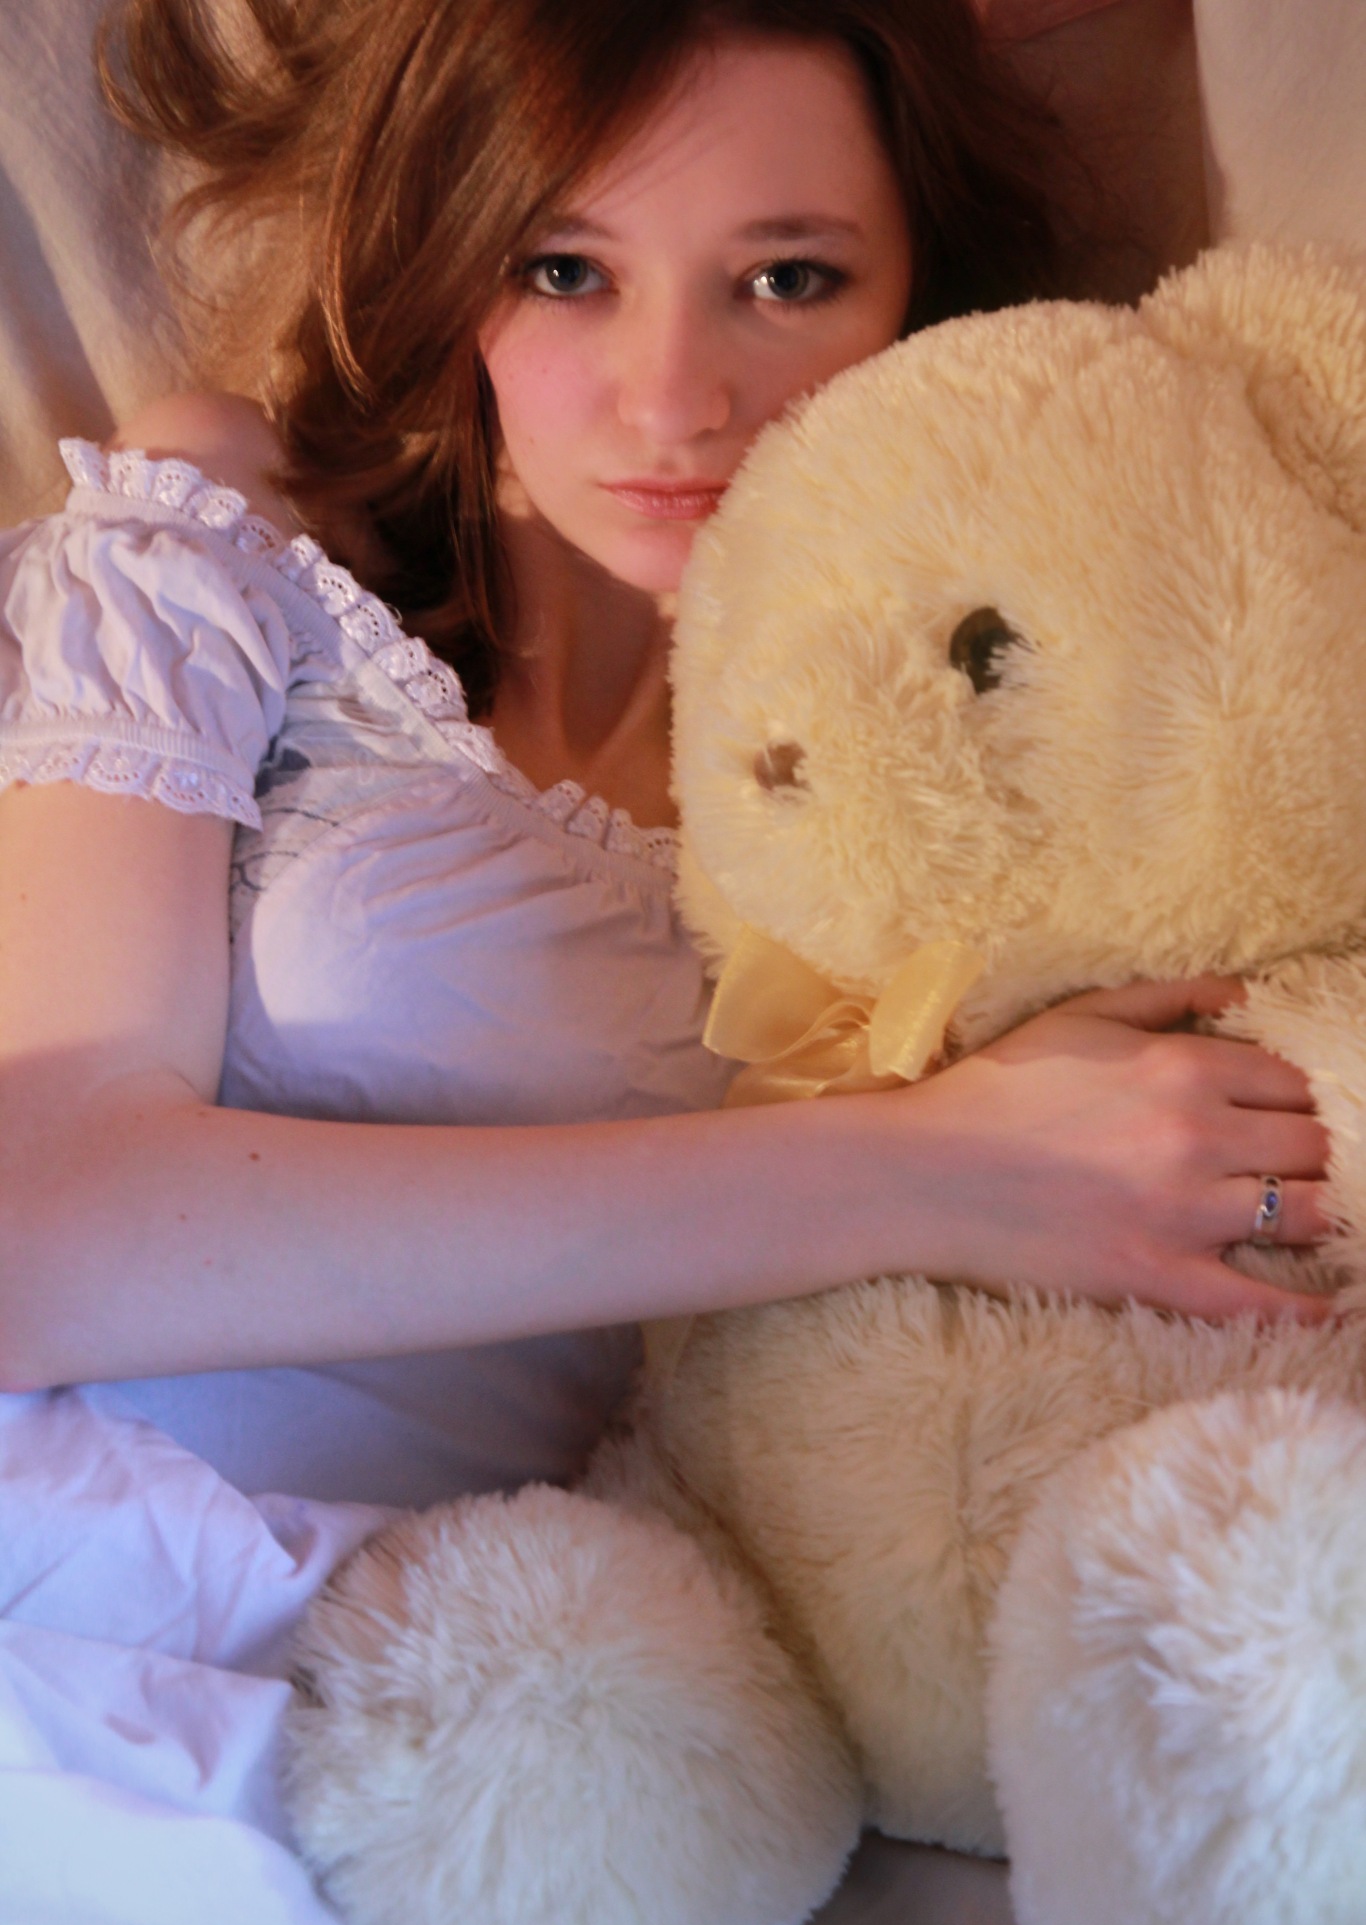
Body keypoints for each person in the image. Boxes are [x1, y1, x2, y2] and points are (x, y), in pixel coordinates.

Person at [0, 0, 1330, 1517]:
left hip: (509, 1642)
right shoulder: (238, 530)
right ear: (453, 262)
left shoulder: (957, 776)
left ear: (916, 279)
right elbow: (38, 1231)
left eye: (786, 279)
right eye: (566, 272)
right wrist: (924, 1170)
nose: (673, 400)